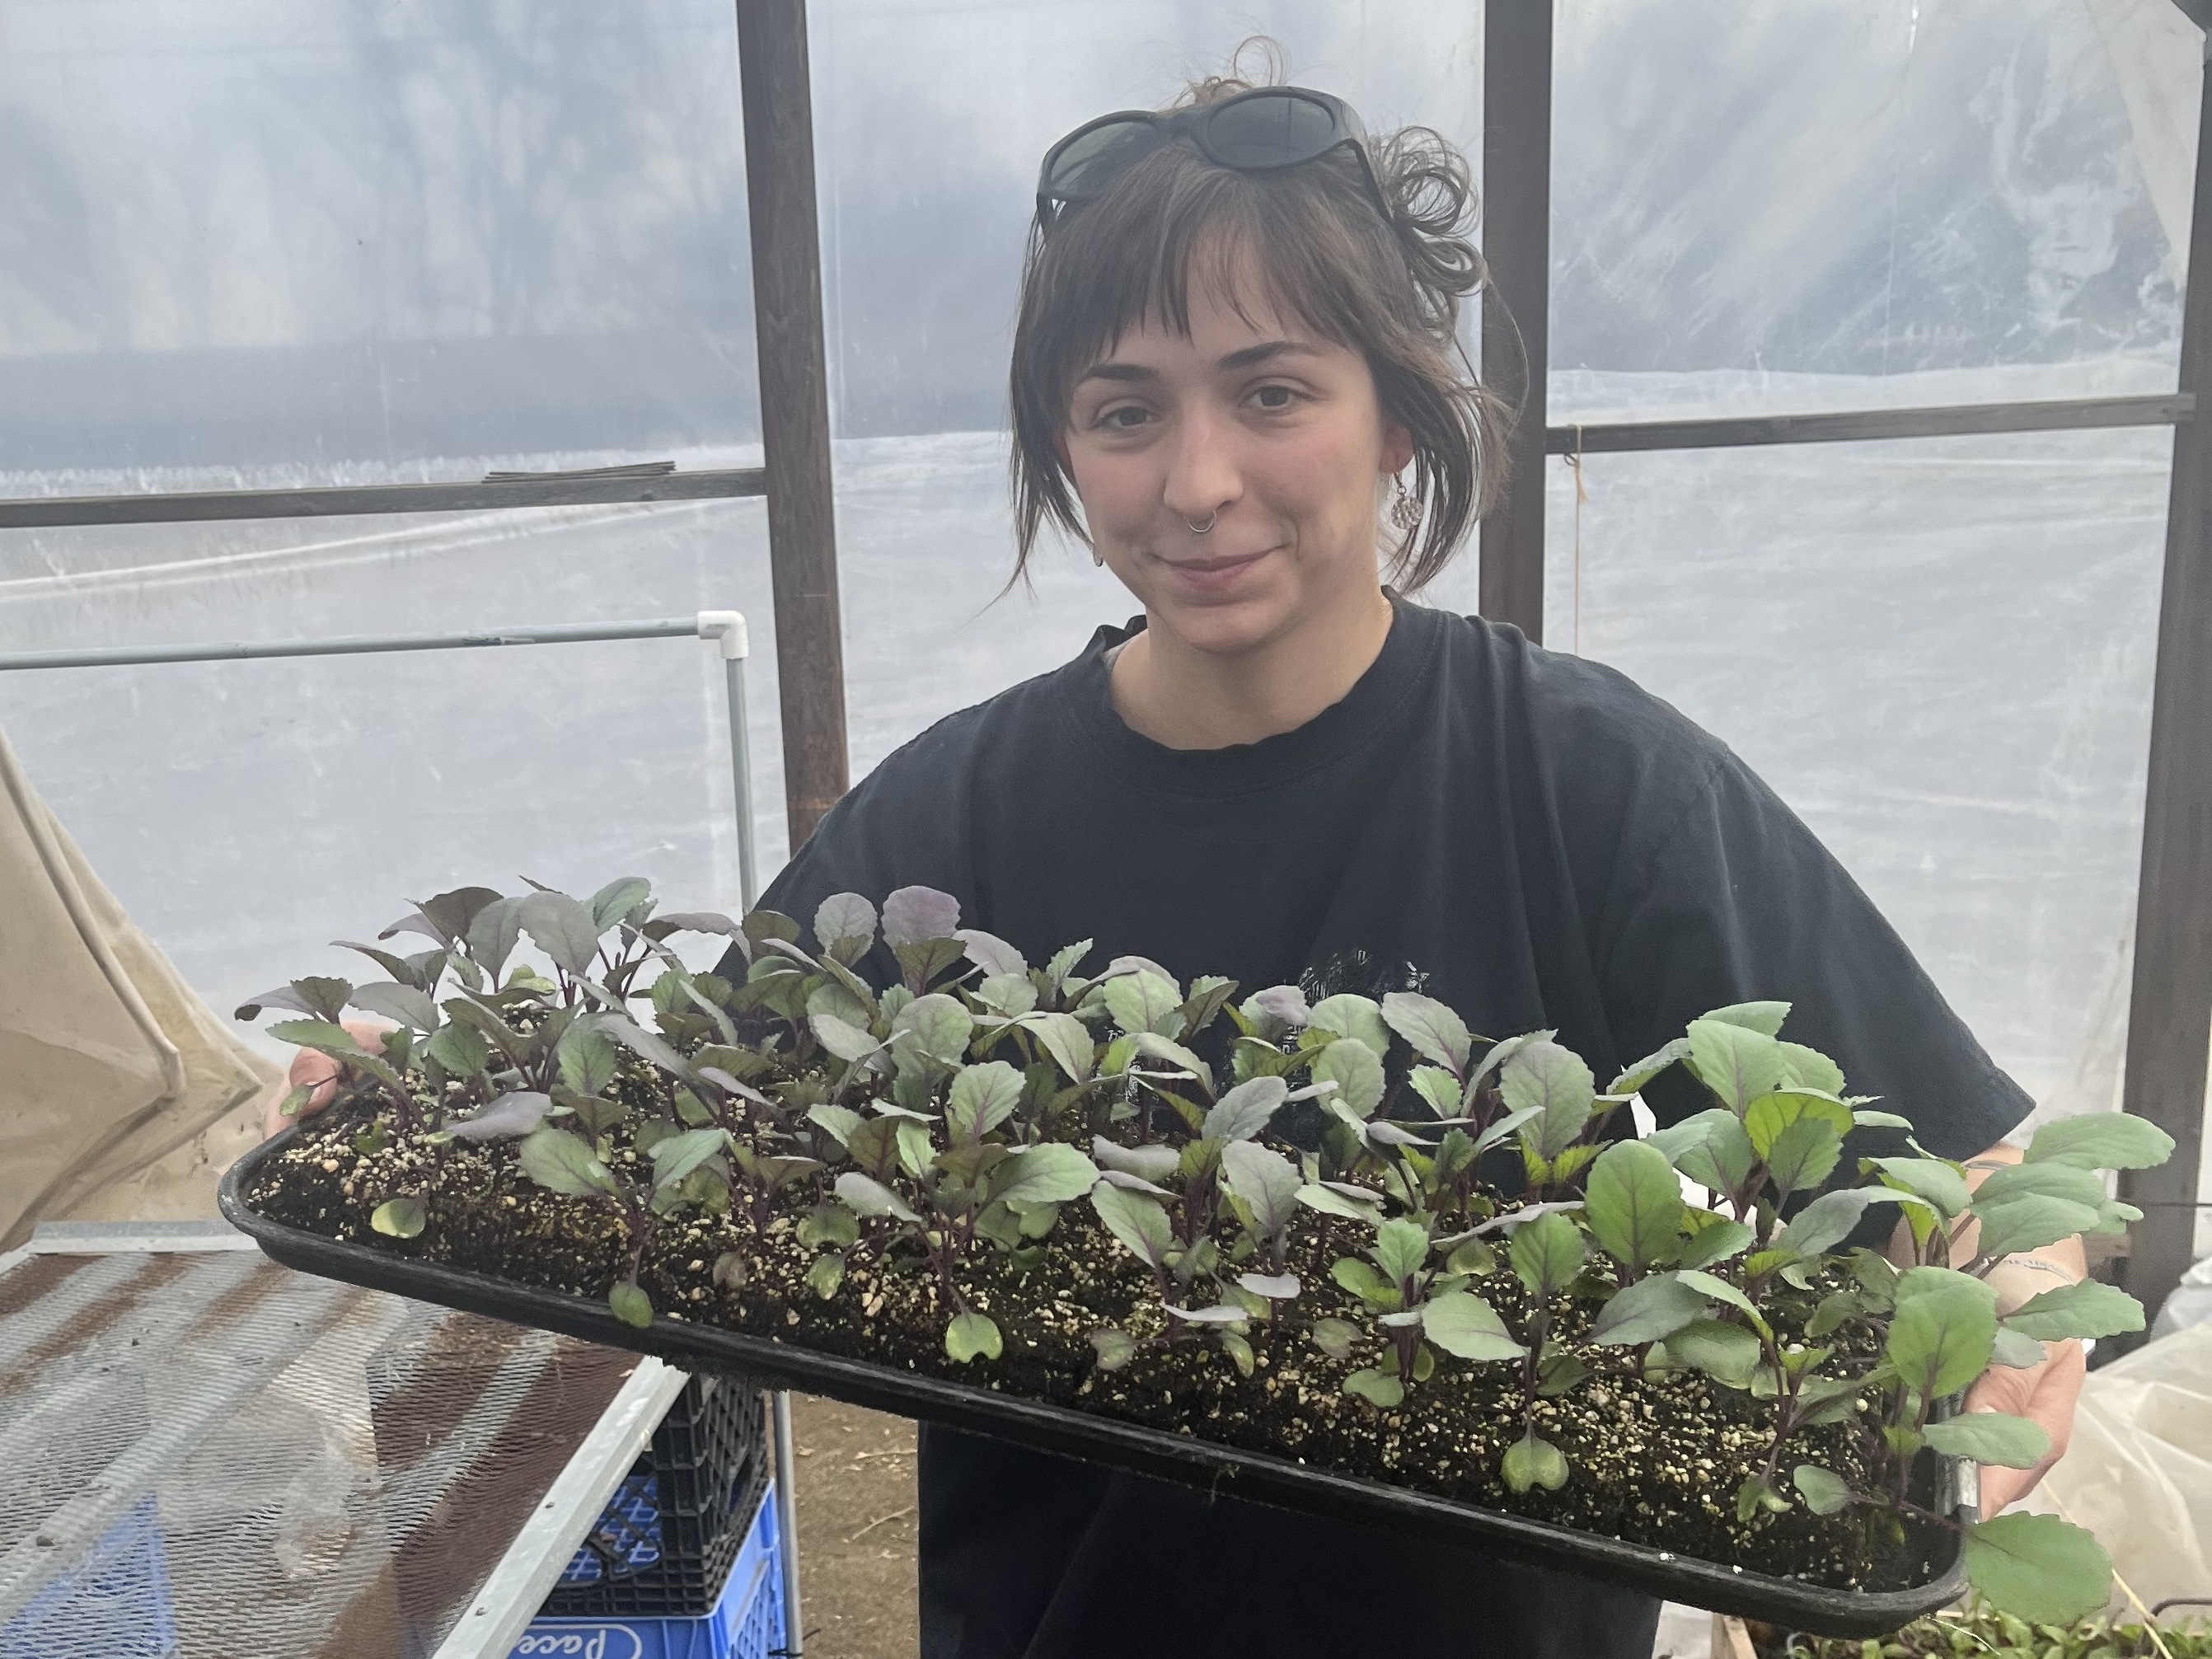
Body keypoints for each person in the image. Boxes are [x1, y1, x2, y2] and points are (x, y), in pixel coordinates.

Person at [287, 55, 2089, 1659]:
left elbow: (1976, 1160)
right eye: (1125, 409)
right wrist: (437, 1109)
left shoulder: (1577, 775)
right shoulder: (956, 819)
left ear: (1398, 412)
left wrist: (2009, 1287)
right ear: (1068, 456)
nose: (1199, 478)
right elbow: (676, 1133)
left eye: (1271, 389)